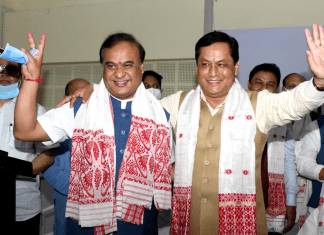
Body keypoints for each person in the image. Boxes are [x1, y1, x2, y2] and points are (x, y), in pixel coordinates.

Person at [157, 24, 324, 235]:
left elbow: (293, 103)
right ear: (197, 68)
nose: (213, 72)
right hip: (188, 224)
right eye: (205, 64)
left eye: (222, 64)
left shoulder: (257, 104)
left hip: (241, 225)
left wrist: (319, 81)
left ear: (235, 67)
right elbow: (142, 114)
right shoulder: (178, 104)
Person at [14, 32, 172, 235]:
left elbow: (170, 170)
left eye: (127, 64)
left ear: (141, 67)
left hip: (140, 228)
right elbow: (24, 131)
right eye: (111, 65)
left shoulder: (161, 116)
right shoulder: (80, 108)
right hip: (85, 228)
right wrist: (31, 79)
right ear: (103, 68)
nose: (119, 73)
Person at [0, 57, 56, 234]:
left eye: (11, 70)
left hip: (23, 205)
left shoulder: (37, 111)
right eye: (0, 68)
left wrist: (25, 170)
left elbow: (48, 155)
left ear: (21, 75)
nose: (4, 74)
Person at [36, 78, 91, 235]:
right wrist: (78, 189)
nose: (81, 99)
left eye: (85, 95)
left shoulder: (101, 125)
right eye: (76, 95)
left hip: (98, 206)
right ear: (67, 98)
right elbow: (49, 167)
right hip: (66, 201)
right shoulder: (55, 127)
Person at [248, 63, 299, 234]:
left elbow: (288, 164)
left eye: (270, 85)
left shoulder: (282, 121)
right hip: (239, 199)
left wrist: (291, 203)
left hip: (270, 201)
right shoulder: (233, 117)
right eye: (258, 82)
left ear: (277, 89)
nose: (263, 89)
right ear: (248, 84)